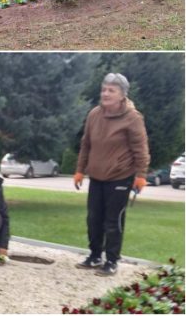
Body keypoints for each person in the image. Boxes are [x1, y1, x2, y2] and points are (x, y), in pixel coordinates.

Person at [73, 73, 150, 276]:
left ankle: (112, 260)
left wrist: (141, 175)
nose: (105, 93)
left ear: (122, 95)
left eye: (111, 90)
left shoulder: (133, 118)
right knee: (93, 219)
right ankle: (95, 255)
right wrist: (80, 170)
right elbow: (86, 144)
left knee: (112, 221)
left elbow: (141, 149)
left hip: (120, 177)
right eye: (104, 89)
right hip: (97, 177)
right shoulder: (94, 114)